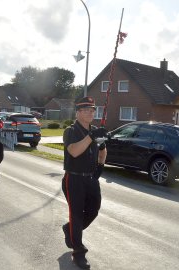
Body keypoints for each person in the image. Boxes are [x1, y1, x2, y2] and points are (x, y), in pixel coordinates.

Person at [61, 96, 108, 269]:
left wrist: (100, 167)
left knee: (93, 210)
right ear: (78, 112)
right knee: (77, 215)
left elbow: (103, 150)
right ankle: (78, 252)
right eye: (86, 110)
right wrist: (90, 136)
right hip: (73, 179)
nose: (90, 113)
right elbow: (74, 151)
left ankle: (69, 229)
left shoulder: (95, 130)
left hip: (91, 178)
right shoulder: (70, 130)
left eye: (92, 110)